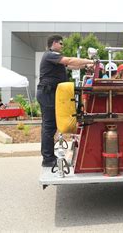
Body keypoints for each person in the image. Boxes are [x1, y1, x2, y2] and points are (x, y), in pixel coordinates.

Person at [37, 34, 94, 167]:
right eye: (61, 43)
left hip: (50, 93)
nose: (63, 46)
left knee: (50, 126)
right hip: (48, 93)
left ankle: (49, 156)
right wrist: (88, 61)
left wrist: (85, 66)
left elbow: (72, 66)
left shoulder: (54, 59)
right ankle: (48, 159)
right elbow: (69, 61)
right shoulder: (50, 55)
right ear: (55, 43)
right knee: (49, 126)